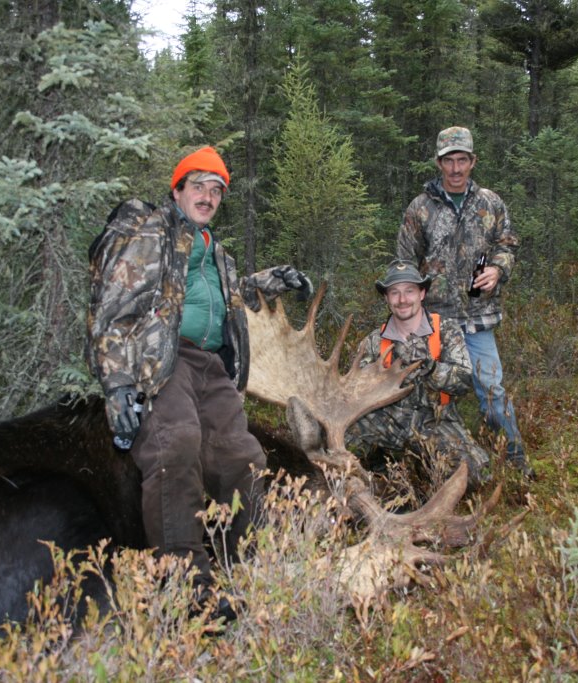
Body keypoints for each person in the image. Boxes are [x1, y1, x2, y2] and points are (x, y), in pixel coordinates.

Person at [85, 146, 312, 622]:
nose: (208, 196)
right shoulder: (153, 235)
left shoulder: (213, 250)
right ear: (178, 190)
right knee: (176, 445)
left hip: (212, 366)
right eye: (199, 186)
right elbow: (111, 308)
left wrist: (276, 279)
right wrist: (118, 383)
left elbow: (229, 296)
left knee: (244, 458)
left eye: (216, 190)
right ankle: (186, 589)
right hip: (165, 361)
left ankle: (243, 569)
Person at [396, 127, 533, 478]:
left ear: (473, 161)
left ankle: (515, 458)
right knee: (433, 391)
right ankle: (434, 465)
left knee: (491, 389)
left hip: (478, 317)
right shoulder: (420, 208)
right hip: (435, 321)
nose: (455, 168)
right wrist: (409, 310)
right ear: (438, 163)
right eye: (449, 161)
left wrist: (498, 269)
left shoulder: (490, 203)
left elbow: (507, 244)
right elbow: (405, 262)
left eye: (462, 160)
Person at [346, 259, 491, 491]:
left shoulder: (445, 330)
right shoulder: (373, 342)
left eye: (409, 291)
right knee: (340, 447)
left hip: (437, 422)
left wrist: (430, 367)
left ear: (422, 294)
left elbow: (464, 381)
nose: (402, 299)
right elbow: (354, 392)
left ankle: (415, 466)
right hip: (388, 423)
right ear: (386, 298)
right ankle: (383, 469)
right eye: (395, 292)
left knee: (472, 476)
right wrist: (378, 380)